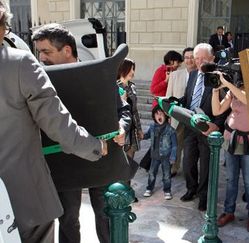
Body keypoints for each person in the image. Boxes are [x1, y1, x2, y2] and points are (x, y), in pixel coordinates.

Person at [0, 2, 108, 242]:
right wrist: (97, 146)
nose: (41, 57)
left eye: (46, 52)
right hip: (23, 199)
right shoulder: (19, 64)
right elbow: (58, 125)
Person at [32, 23, 130, 243]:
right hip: (63, 163)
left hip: (103, 159)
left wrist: (123, 127)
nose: (41, 58)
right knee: (67, 221)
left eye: (46, 51)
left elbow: (122, 109)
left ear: (67, 50)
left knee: (107, 219)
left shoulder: (98, 73)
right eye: (38, 52)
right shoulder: (39, 80)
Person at [178, 43, 229, 211]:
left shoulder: (219, 78)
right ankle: (191, 189)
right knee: (188, 163)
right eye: (196, 58)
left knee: (207, 166)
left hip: (209, 129)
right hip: (191, 127)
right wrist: (176, 104)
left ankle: (204, 196)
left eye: (203, 59)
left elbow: (225, 105)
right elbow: (188, 98)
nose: (199, 62)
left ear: (212, 59)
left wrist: (217, 125)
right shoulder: (192, 75)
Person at [211, 72, 249, 233]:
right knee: (231, 179)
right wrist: (215, 90)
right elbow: (217, 111)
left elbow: (247, 100)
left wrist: (227, 84)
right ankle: (229, 211)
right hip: (230, 140)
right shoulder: (232, 91)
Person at [165, 47, 197, 177]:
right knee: (176, 143)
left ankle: (190, 169)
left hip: (194, 116)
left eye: (192, 57)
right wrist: (168, 114)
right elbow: (168, 96)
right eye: (187, 57)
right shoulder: (175, 75)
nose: (189, 60)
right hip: (177, 116)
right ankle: (174, 166)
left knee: (191, 147)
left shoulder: (201, 75)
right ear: (184, 59)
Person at [142, 106, 177, 200]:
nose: (159, 116)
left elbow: (174, 145)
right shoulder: (152, 127)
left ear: (165, 116)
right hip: (154, 156)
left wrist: (173, 157)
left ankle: (167, 190)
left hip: (166, 156)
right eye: (157, 114)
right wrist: (141, 136)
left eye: (161, 113)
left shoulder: (171, 130)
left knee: (166, 175)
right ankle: (149, 188)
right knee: (152, 173)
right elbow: (147, 135)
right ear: (154, 116)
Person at [117, 58, 143, 159]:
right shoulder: (115, 87)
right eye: (130, 69)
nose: (133, 72)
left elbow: (135, 111)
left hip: (132, 130)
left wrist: (139, 129)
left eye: (133, 69)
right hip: (121, 129)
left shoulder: (132, 87)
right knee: (120, 160)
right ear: (123, 69)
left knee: (130, 159)